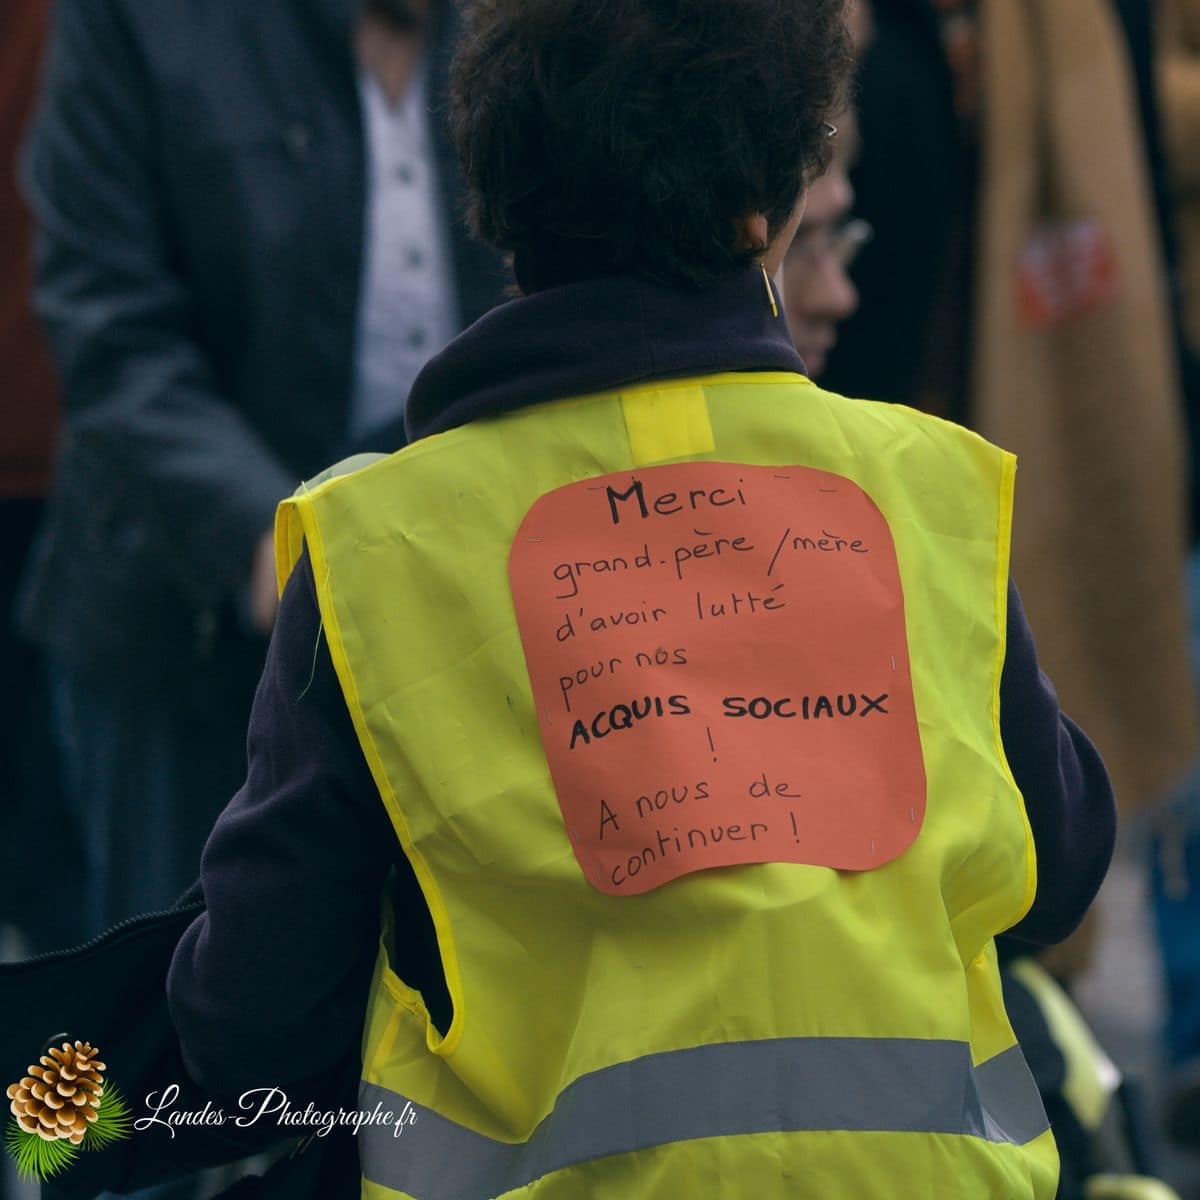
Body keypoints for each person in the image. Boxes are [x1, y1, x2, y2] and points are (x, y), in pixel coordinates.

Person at [163, 1, 1116, 1196]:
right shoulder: (921, 487)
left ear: (496, 205)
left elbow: (253, 1020)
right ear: (764, 212)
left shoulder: (378, 547)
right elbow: (1060, 864)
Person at [18, 0, 507, 942]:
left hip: (455, 620)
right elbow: (107, 323)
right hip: (183, 620)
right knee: (164, 1017)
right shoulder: (138, 21)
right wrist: (269, 537)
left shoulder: (508, 25)